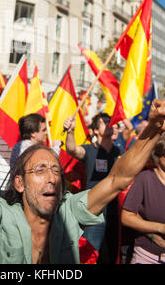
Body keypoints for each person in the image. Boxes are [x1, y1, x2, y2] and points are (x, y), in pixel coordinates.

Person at [0, 81, 165, 264]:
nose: (52, 177)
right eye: (40, 169)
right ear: (19, 183)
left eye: (55, 170)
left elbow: (118, 179)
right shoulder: (2, 217)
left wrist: (154, 129)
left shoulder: (69, 211)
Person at [64, 112, 121, 263]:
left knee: (112, 255)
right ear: (96, 130)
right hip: (94, 213)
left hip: (115, 212)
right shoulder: (90, 150)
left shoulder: (119, 152)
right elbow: (72, 149)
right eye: (105, 122)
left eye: (112, 122)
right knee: (90, 254)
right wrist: (70, 131)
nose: (111, 125)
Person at [121, 133, 165, 264]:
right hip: (146, 254)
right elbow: (127, 217)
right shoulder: (145, 178)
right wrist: (160, 228)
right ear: (158, 155)